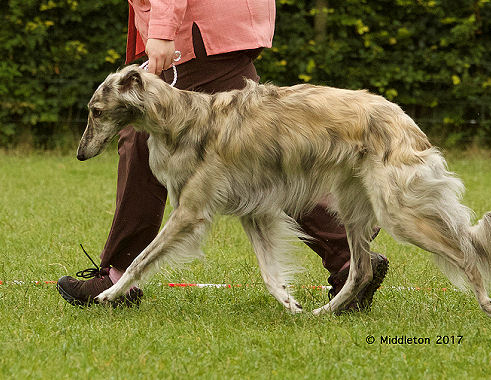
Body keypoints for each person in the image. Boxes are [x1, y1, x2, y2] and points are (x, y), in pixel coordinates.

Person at [57, 0, 389, 312]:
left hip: (197, 29)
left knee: (140, 139)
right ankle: (347, 257)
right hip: (220, 26)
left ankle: (118, 275)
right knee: (262, 160)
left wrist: (160, 30)